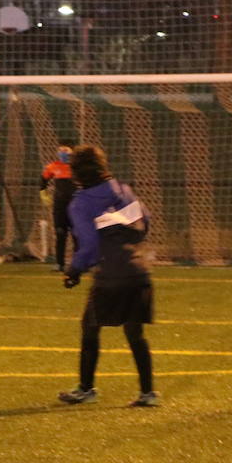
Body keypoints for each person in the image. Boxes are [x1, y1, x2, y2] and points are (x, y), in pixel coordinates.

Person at [56, 145, 159, 408]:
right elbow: (143, 224)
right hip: (138, 272)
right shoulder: (121, 190)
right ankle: (148, 394)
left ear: (77, 173)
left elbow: (88, 245)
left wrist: (74, 270)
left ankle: (85, 388)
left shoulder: (81, 203)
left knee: (90, 327)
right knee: (135, 333)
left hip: (111, 275)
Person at [40, 143, 78, 272]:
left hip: (76, 207)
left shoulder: (78, 167)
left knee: (77, 234)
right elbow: (43, 180)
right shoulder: (53, 167)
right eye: (60, 150)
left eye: (65, 150)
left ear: (72, 151)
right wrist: (43, 194)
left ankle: (78, 263)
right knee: (60, 233)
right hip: (59, 207)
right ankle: (59, 263)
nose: (62, 152)